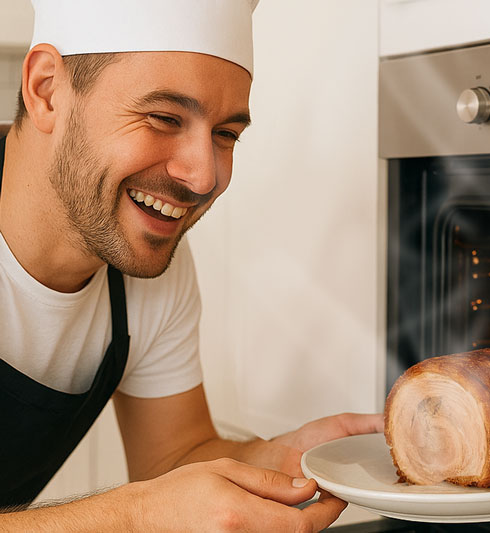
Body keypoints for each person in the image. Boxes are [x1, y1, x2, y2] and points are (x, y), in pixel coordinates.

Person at [0, 0, 383, 530]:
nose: (204, 177)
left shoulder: (145, 266)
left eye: (226, 134)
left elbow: (172, 458)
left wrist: (280, 458)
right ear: (46, 90)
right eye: (163, 118)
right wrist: (137, 518)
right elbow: (151, 507)